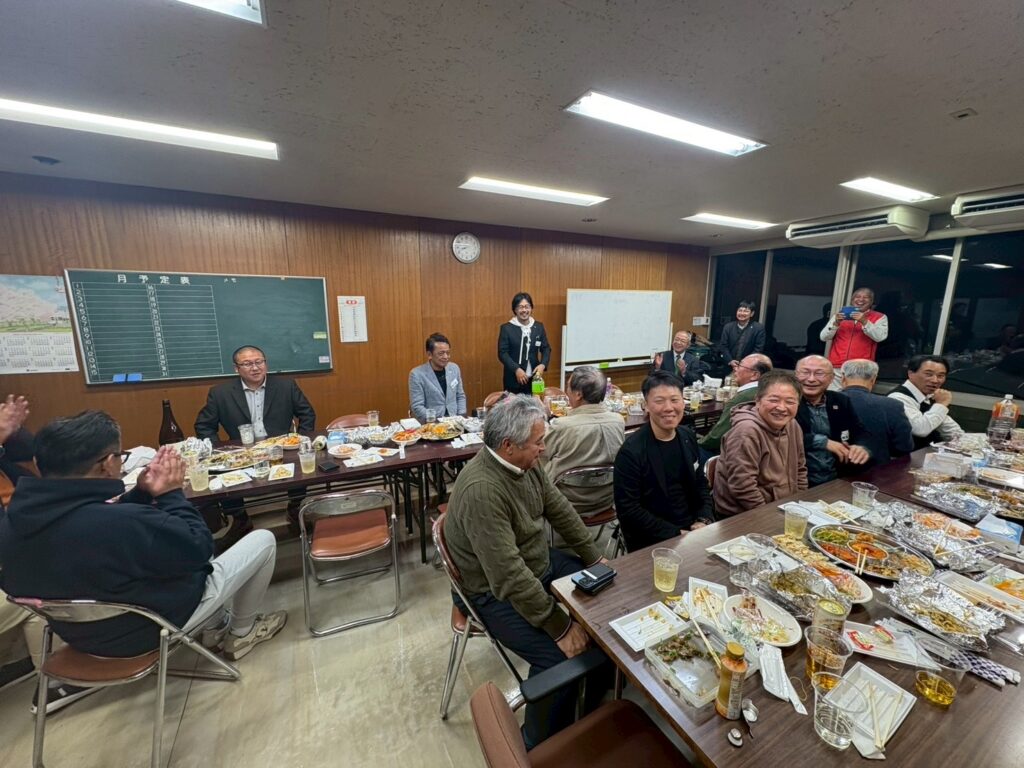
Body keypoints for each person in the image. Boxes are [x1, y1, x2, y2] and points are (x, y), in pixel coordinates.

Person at [0, 411, 287, 671]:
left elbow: (92, 521)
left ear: (38, 463)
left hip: (78, 636)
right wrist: (171, 494)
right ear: (108, 464)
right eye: (120, 455)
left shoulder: (11, 524)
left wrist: (139, 493)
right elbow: (199, 548)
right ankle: (242, 632)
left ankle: (215, 629)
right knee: (261, 540)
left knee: (175, 548)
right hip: (146, 629)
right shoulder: (121, 523)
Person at [443, 395, 608, 749]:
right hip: (490, 590)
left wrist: (593, 557)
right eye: (538, 442)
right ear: (508, 445)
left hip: (535, 562)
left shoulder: (525, 464)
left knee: (604, 599)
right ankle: (536, 747)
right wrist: (559, 626)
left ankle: (592, 707)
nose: (544, 448)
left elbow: (559, 508)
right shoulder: (482, 490)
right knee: (556, 658)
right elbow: (508, 576)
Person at [194, 345, 316, 536]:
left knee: (302, 460)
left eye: (259, 362)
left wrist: (299, 440)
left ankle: (295, 507)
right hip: (243, 451)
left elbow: (307, 413)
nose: (255, 368)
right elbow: (204, 425)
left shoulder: (286, 386)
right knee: (220, 472)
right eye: (247, 364)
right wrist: (220, 452)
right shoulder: (220, 393)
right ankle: (239, 518)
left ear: (265, 364)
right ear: (236, 368)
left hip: (280, 448)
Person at [614, 371, 714, 552]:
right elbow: (629, 509)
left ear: (683, 402)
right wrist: (677, 534)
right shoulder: (632, 451)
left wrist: (704, 519)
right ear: (646, 405)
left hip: (694, 530)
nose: (669, 408)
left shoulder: (687, 436)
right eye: (659, 401)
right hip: (654, 538)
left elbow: (701, 484)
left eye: (675, 400)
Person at [713, 371, 807, 516]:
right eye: (774, 400)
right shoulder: (746, 431)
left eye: (790, 402)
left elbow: (800, 469)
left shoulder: (792, 424)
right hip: (743, 515)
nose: (781, 408)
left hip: (784, 508)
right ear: (757, 400)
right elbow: (743, 486)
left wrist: (798, 505)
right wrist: (769, 516)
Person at [539, 366, 625, 519]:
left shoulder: (562, 426)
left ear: (578, 394)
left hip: (566, 501)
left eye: (568, 387)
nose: (566, 392)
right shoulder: (618, 421)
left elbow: (540, 453)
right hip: (605, 500)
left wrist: (543, 418)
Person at [794, 356, 870, 486]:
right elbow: (781, 435)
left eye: (819, 373)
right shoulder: (787, 401)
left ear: (831, 378)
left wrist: (861, 447)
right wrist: (822, 442)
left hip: (836, 477)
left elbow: (860, 432)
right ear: (795, 375)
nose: (811, 379)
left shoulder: (840, 400)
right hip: (798, 478)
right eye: (805, 372)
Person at [840, 359, 913, 466]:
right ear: (873, 379)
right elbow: (904, 447)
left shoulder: (825, 401)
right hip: (877, 471)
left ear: (842, 378)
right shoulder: (892, 405)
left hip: (831, 471)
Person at [699, 353, 772, 455]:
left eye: (740, 366)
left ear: (755, 375)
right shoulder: (767, 391)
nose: (735, 369)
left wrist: (698, 443)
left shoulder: (743, 398)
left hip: (733, 452)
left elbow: (717, 437)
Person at [887, 355, 965, 448]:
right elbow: (920, 430)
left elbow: (951, 429)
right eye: (928, 374)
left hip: (928, 452)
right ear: (910, 373)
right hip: (904, 455)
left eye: (940, 376)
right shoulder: (898, 397)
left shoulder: (930, 396)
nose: (935, 380)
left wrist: (965, 441)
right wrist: (941, 404)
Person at [498, 292, 551, 395]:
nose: (524, 310)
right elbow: (502, 353)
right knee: (514, 405)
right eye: (520, 307)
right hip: (513, 379)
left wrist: (543, 365)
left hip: (535, 379)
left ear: (531, 308)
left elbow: (546, 348)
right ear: (515, 309)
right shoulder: (506, 328)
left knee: (535, 403)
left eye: (527, 306)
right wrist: (516, 369)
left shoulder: (538, 327)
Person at [820, 287, 888, 367]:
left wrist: (865, 322)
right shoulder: (841, 315)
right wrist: (836, 323)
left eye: (866, 297)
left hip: (862, 366)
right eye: (857, 297)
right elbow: (823, 337)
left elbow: (880, 337)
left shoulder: (879, 317)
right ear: (852, 300)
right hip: (836, 364)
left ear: (871, 301)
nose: (861, 300)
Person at [408, 333, 467, 422]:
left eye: (448, 353)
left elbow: (460, 396)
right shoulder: (417, 374)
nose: (446, 357)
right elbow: (417, 406)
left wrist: (461, 417)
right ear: (429, 354)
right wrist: (438, 421)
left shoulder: (454, 368)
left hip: (455, 422)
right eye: (441, 353)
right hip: (431, 424)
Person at [719, 301, 766, 365]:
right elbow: (723, 346)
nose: (742, 313)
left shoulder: (758, 328)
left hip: (748, 365)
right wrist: (730, 360)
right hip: (729, 364)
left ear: (752, 314)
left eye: (746, 311)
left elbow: (758, 349)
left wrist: (745, 362)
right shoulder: (728, 327)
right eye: (740, 310)